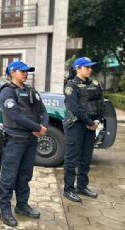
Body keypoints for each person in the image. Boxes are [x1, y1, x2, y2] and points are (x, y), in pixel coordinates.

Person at [0, 61, 48, 227]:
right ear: (12, 72)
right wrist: (37, 127)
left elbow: (43, 111)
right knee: (9, 177)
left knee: (25, 175)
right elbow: (15, 116)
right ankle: (5, 210)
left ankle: (22, 205)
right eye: (22, 71)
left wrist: (43, 127)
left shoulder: (31, 91)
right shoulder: (7, 92)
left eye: (27, 72)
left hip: (31, 140)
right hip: (15, 141)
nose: (26, 74)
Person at [63, 57, 105, 202]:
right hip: (76, 126)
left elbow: (101, 103)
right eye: (87, 67)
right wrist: (89, 122)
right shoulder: (71, 86)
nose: (90, 69)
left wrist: (97, 120)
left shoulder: (95, 84)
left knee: (86, 158)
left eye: (90, 67)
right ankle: (68, 189)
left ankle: (82, 186)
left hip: (91, 125)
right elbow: (76, 108)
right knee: (72, 159)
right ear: (78, 68)